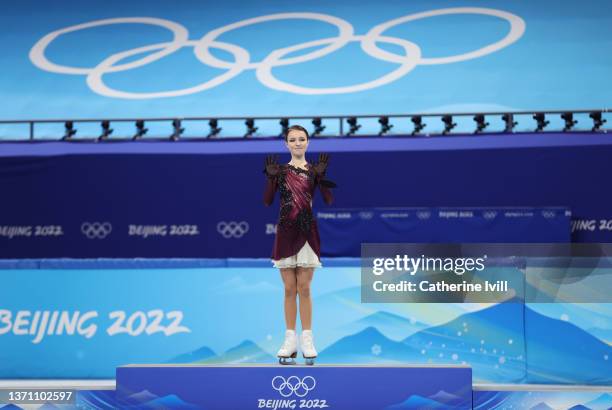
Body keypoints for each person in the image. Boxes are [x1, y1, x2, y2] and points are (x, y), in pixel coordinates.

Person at [263, 125, 335, 365]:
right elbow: (266, 202)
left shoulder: (315, 170)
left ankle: (307, 340)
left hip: (307, 232)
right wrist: (272, 180)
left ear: (308, 142)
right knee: (288, 289)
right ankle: (289, 340)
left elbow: (328, 199)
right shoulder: (280, 171)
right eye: (292, 140)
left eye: (301, 139)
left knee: (304, 288)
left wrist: (321, 178)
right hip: (285, 232)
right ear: (286, 144)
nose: (297, 143)